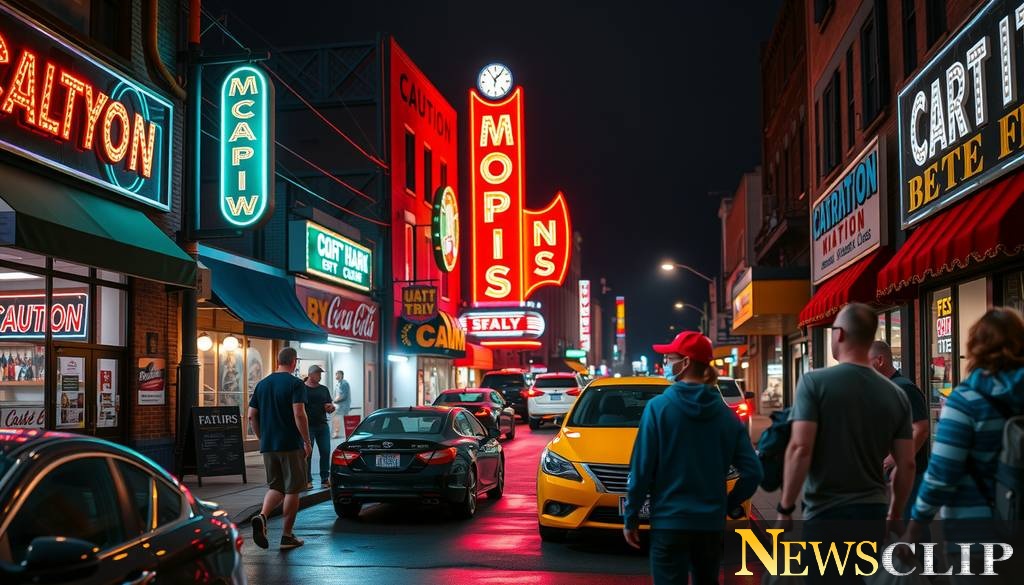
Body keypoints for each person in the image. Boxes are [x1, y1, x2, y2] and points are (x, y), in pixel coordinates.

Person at [777, 303, 916, 584]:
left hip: (824, 514)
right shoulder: (897, 394)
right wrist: (896, 513)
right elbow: (907, 463)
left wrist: (786, 508)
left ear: (839, 334)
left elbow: (800, 449)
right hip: (872, 514)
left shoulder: (814, 383)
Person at [623, 330, 762, 585]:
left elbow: (641, 471)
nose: (665, 364)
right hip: (709, 525)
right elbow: (753, 472)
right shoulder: (726, 416)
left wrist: (631, 516)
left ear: (685, 363)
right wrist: (730, 503)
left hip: (669, 523)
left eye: (669, 358)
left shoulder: (658, 409)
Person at [901, 308, 1024, 582]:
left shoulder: (966, 400)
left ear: (975, 347)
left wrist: (915, 526)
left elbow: (942, 475)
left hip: (978, 537)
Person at [247, 346, 312, 550]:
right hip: (290, 444)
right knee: (293, 489)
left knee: (276, 487)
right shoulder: (295, 384)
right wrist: (307, 441)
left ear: (278, 361)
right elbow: (299, 414)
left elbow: (251, 415)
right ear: (293, 362)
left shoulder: (262, 384)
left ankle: (262, 516)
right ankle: (286, 536)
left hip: (269, 445)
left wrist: (262, 437)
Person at [868, 340, 930, 527]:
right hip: (892, 472)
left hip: (908, 473)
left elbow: (921, 428)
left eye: (866, 361)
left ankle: (920, 556)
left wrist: (895, 460)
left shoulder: (904, 388)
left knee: (909, 525)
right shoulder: (886, 388)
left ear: (879, 360)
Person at [303, 365, 335, 489]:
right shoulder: (302, 388)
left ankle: (325, 479)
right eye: (318, 374)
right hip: (308, 426)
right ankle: (307, 480)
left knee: (326, 451)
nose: (320, 376)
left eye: (320, 374)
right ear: (311, 374)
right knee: (308, 453)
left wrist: (331, 408)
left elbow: (330, 406)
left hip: (322, 425)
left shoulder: (324, 389)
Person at [332, 370, 352, 439]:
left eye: (337, 374)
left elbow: (343, 395)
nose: (336, 376)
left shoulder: (344, 384)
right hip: (339, 406)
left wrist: (334, 400)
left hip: (343, 406)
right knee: (338, 419)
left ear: (341, 375)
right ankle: (340, 433)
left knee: (338, 419)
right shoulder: (338, 384)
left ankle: (337, 433)